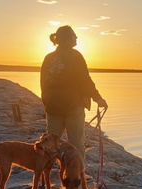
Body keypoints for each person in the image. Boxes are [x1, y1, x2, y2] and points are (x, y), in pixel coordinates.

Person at [40, 25, 108, 158]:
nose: (76, 37)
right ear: (67, 40)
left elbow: (43, 83)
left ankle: (45, 174)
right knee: (76, 143)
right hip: (73, 105)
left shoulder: (48, 58)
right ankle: (77, 175)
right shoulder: (75, 56)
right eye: (73, 35)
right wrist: (98, 98)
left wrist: (46, 101)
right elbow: (85, 80)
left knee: (51, 143)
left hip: (53, 105)